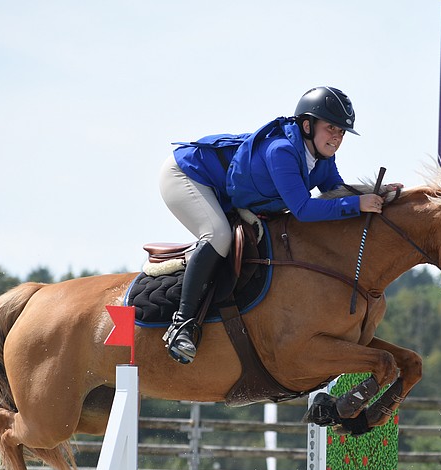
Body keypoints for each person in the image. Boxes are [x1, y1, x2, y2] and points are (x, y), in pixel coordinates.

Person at [159, 86, 387, 364]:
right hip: (188, 175)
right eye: (331, 128)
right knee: (218, 235)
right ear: (307, 125)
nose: (337, 138)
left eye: (341, 132)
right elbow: (303, 209)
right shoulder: (282, 151)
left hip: (227, 191)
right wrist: (357, 204)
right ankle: (182, 325)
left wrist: (382, 194)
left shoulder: (323, 157)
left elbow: (336, 191)